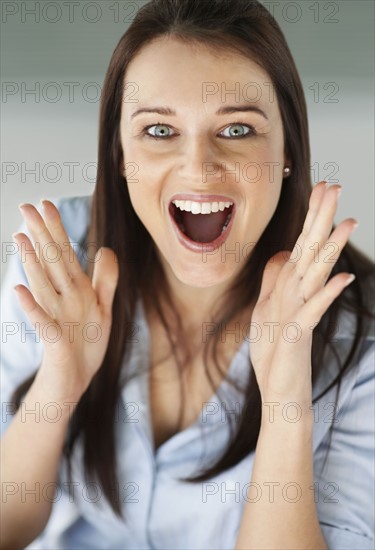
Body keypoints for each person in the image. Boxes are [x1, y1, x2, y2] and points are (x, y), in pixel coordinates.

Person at [1, 0, 374, 548]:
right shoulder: (63, 258)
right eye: (158, 130)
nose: (199, 166)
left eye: (238, 128)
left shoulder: (360, 332)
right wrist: (59, 381)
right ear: (120, 154)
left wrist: (286, 401)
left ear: (287, 150)